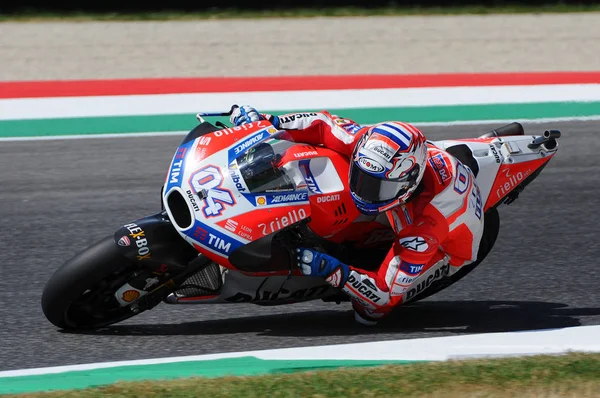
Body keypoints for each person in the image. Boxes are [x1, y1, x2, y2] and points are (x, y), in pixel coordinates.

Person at [230, 105, 487, 325]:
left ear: (408, 183)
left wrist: (333, 270)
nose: (364, 192)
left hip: (447, 249)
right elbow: (322, 124)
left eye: (378, 187)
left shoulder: (425, 226)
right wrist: (267, 123)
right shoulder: (371, 146)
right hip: (414, 186)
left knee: (367, 313)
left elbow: (383, 296)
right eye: (361, 177)